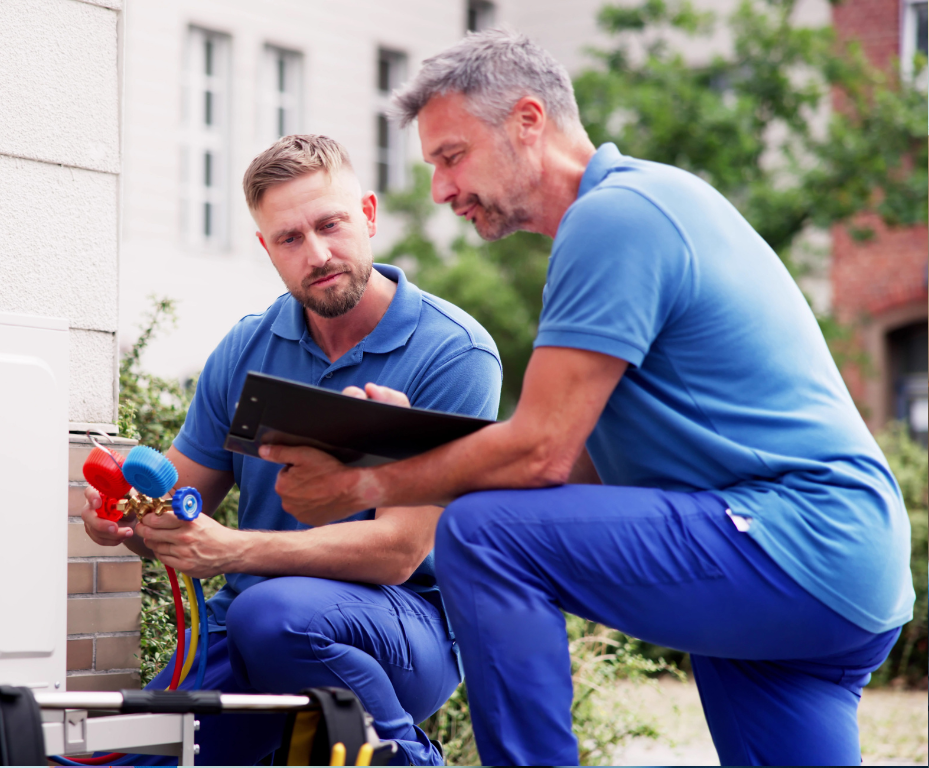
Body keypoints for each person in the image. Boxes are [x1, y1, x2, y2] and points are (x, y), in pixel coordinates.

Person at [262, 31, 913, 767]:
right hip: (840, 564)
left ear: (527, 121)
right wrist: (409, 443)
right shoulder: (638, 207)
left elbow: (540, 455)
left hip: (792, 536)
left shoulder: (616, 217)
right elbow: (580, 468)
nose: (441, 189)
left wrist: (362, 484)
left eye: (451, 156)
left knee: (484, 535)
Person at [81, 134, 502, 765]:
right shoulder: (247, 349)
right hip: (245, 624)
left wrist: (234, 549)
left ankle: (408, 758)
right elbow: (175, 507)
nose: (319, 253)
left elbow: (398, 551)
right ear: (266, 248)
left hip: (407, 627)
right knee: (127, 757)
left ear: (367, 214)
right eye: (290, 238)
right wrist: (131, 520)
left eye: (330, 224)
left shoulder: (453, 354)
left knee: (273, 612)